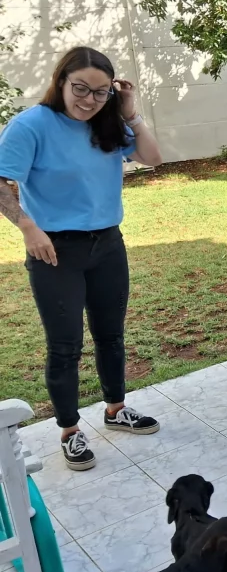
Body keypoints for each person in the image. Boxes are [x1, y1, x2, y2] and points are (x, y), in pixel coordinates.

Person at [0, 47, 164, 470]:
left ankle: (115, 408)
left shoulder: (108, 121)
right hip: (55, 250)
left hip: (108, 243)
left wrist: (129, 111)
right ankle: (70, 430)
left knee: (111, 335)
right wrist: (27, 226)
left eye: (101, 92)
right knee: (65, 345)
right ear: (61, 82)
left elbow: (152, 157)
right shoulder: (31, 125)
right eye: (81, 89)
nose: (89, 100)